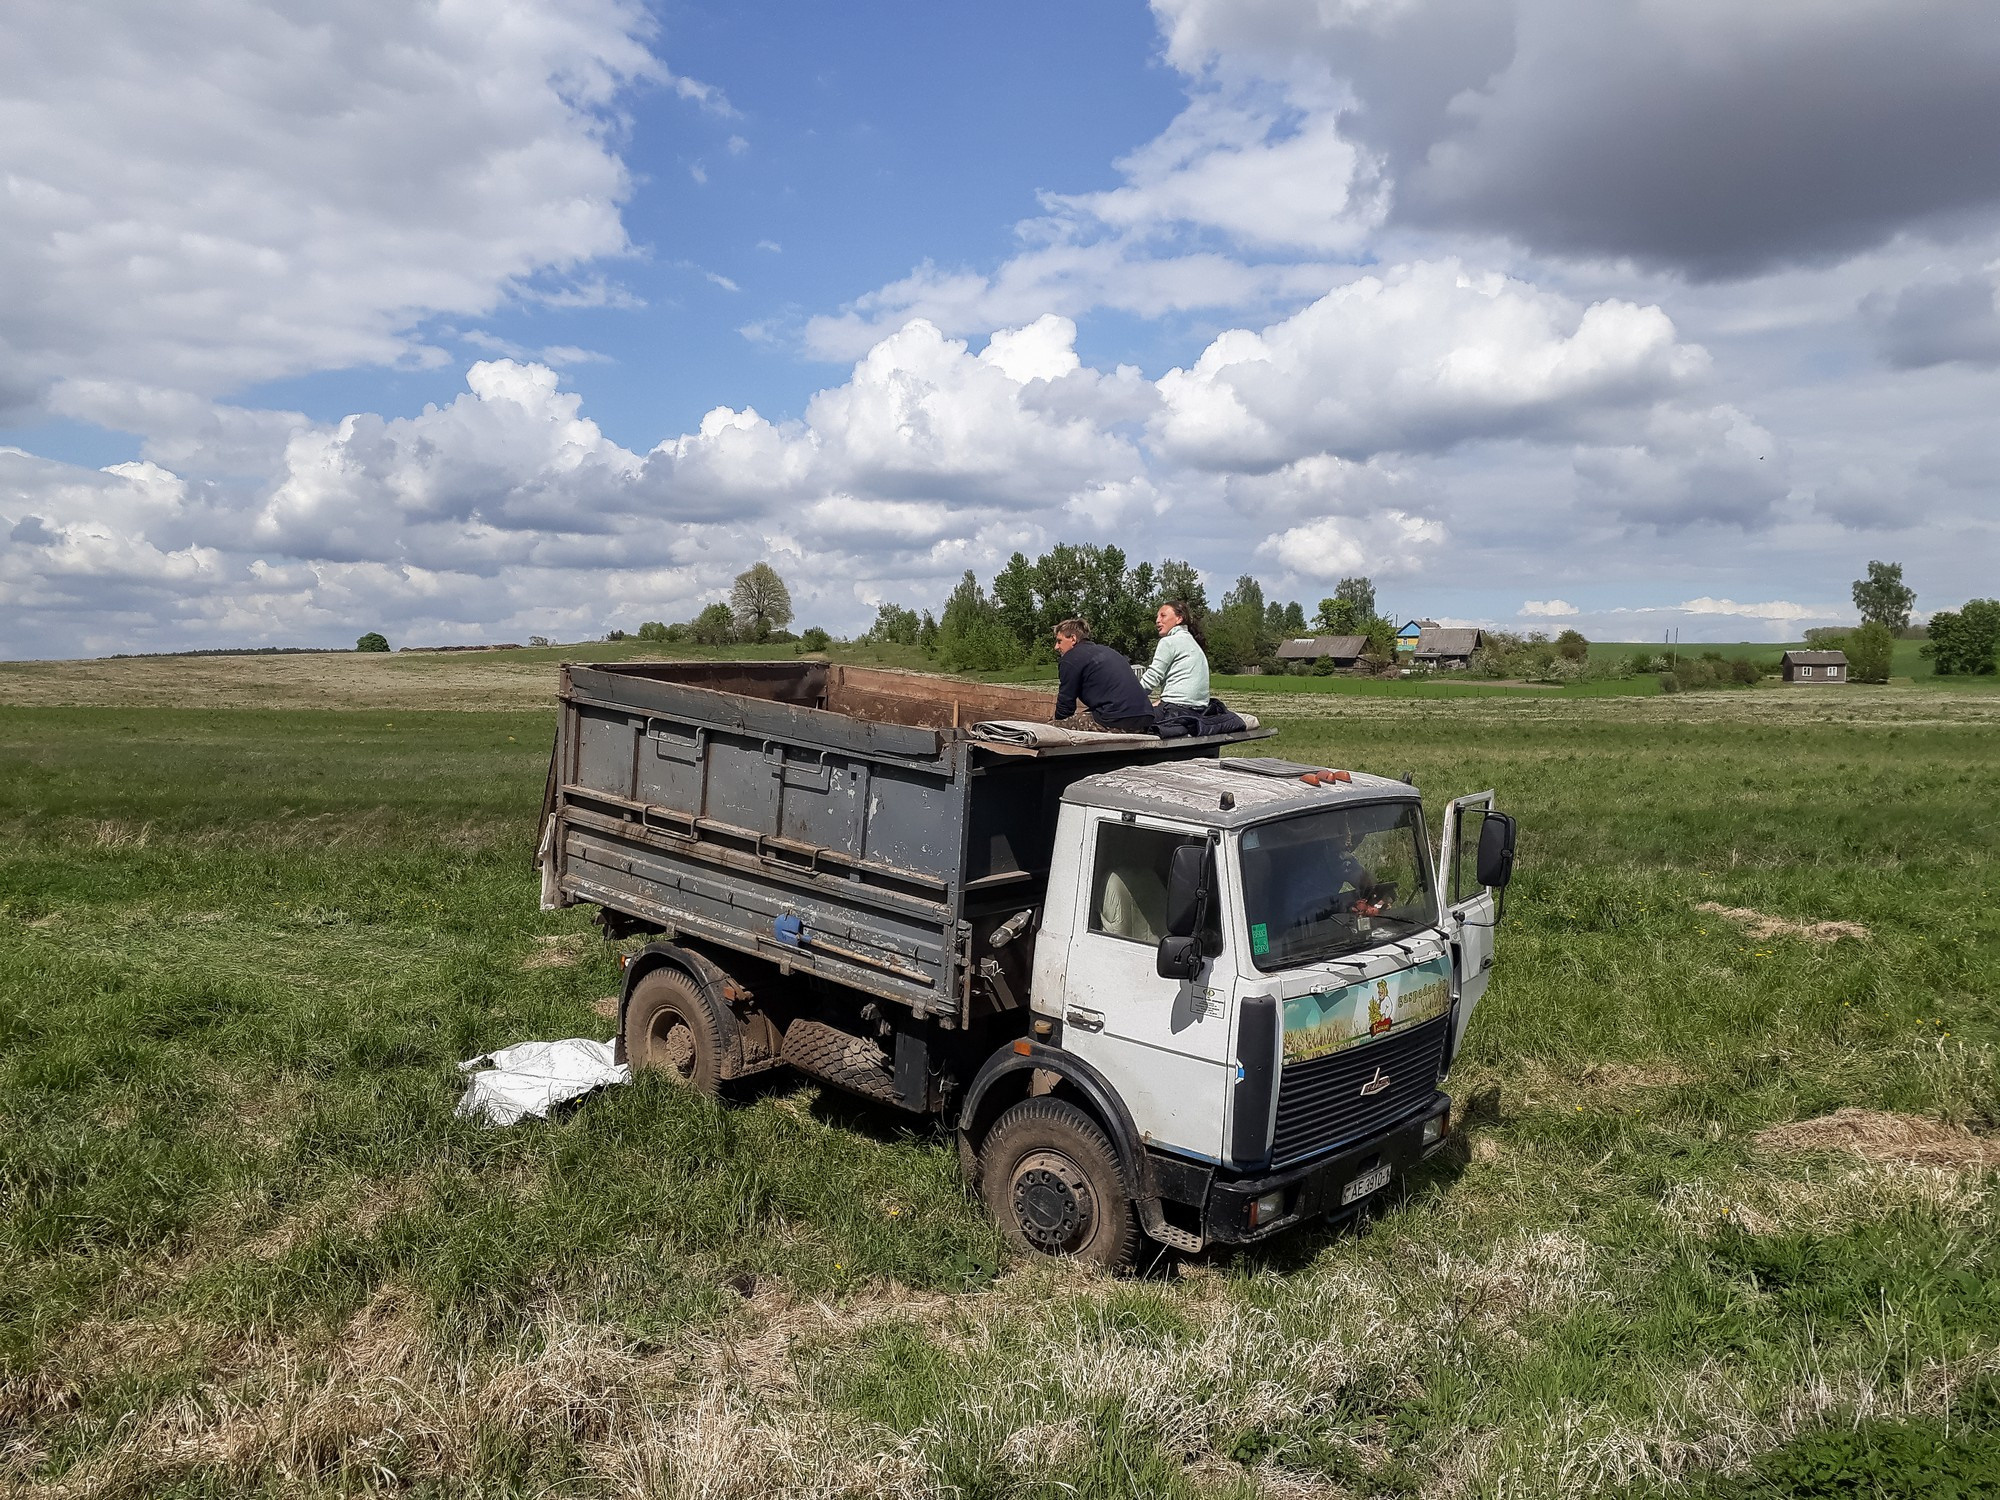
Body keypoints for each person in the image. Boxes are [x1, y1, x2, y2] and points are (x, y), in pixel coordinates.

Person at [1052, 618, 1156, 733]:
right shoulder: (1107, 651)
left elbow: (1065, 705)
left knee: (1049, 729)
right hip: (1145, 718)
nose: (1056, 647)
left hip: (1115, 719)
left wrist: (1057, 726)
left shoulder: (1071, 658)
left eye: (1059, 641)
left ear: (1073, 638)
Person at [1140, 600, 1210, 715]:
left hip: (1176, 709)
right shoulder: (1193, 643)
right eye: (1157, 617)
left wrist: (1129, 697)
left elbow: (1152, 677)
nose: (1157, 620)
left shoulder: (1169, 642)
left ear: (1179, 619)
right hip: (1198, 709)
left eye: (1163, 616)